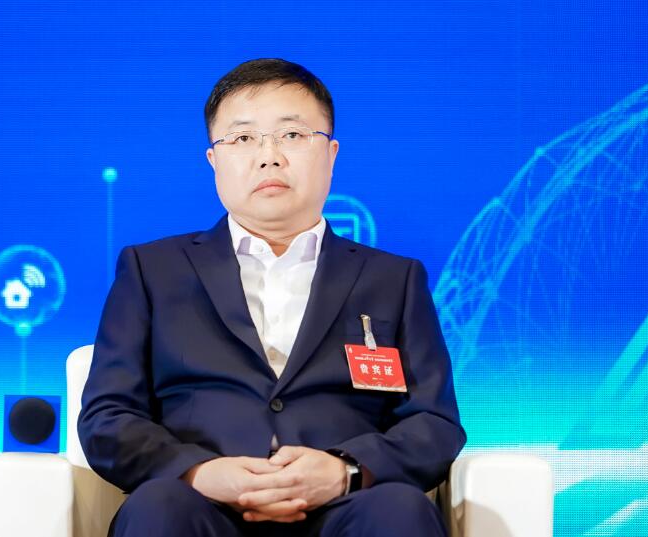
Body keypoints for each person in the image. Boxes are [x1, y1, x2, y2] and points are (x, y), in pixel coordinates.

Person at [78, 58, 466, 537]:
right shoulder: (151, 270)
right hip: (199, 507)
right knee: (159, 506)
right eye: (243, 138)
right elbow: (108, 417)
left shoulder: (394, 279)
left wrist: (345, 470)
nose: (269, 156)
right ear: (213, 160)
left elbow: (434, 422)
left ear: (331, 154)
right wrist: (199, 472)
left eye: (292, 135)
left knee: (399, 510)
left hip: (347, 508)